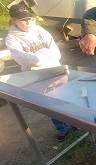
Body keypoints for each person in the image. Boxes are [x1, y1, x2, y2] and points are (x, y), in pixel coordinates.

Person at [5, 4, 71, 140]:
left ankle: (72, 122)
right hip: (37, 77)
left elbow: (55, 51)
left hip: (56, 69)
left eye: (30, 18)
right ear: (14, 20)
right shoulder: (11, 39)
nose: (28, 22)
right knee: (49, 103)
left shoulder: (39, 30)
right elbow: (22, 58)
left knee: (64, 97)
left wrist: (43, 58)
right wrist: (44, 57)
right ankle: (62, 127)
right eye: (23, 20)